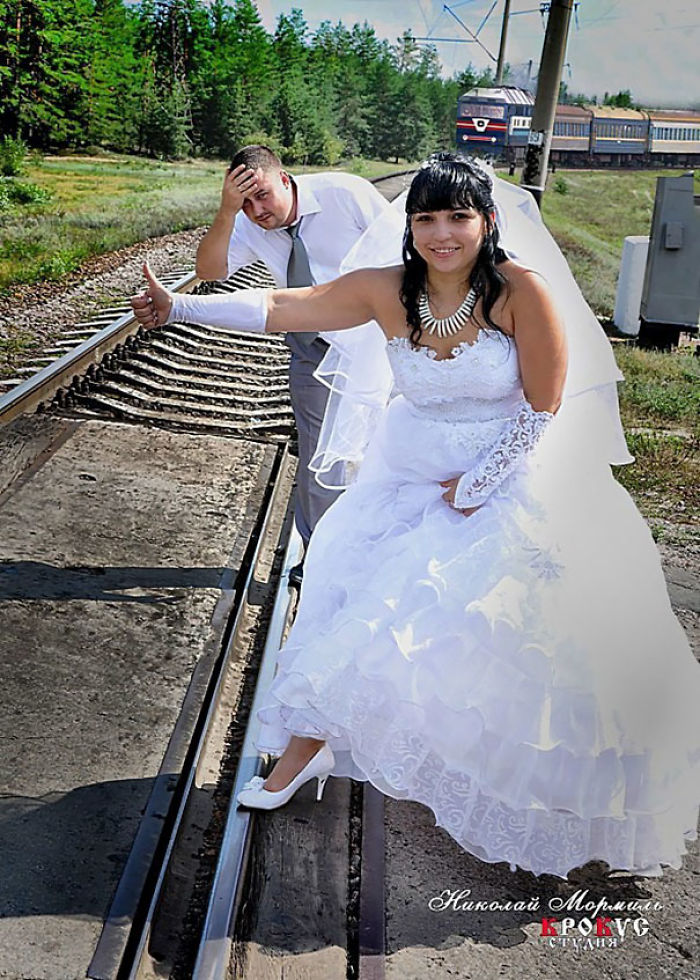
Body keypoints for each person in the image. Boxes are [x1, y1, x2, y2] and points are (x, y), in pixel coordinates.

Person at [131, 154, 700, 880]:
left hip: (502, 476)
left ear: (486, 222)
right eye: (426, 217)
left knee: (530, 638)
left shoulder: (521, 290)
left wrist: (478, 484)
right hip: (405, 474)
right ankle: (304, 756)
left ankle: (561, 792)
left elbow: (542, 408)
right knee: (350, 602)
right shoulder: (387, 289)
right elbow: (284, 307)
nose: (441, 233)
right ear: (410, 225)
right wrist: (179, 307)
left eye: (457, 216)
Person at [195, 144, 390, 585]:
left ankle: (379, 547)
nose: (257, 210)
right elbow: (209, 272)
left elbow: (405, 247)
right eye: (244, 201)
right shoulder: (246, 222)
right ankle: (322, 559)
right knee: (318, 454)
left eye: (262, 195)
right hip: (311, 346)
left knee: (382, 446)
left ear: (285, 179)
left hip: (374, 341)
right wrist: (227, 213)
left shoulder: (346, 193)